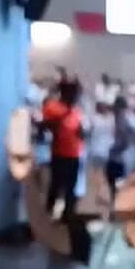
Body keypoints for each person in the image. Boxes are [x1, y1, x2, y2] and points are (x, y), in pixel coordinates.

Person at [42, 79, 84, 215]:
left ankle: (68, 216)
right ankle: (48, 214)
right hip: (59, 153)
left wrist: (82, 133)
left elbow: (79, 131)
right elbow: (47, 126)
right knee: (56, 186)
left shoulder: (76, 111)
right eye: (74, 94)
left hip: (75, 153)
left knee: (71, 188)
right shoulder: (52, 107)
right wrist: (63, 116)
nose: (76, 98)